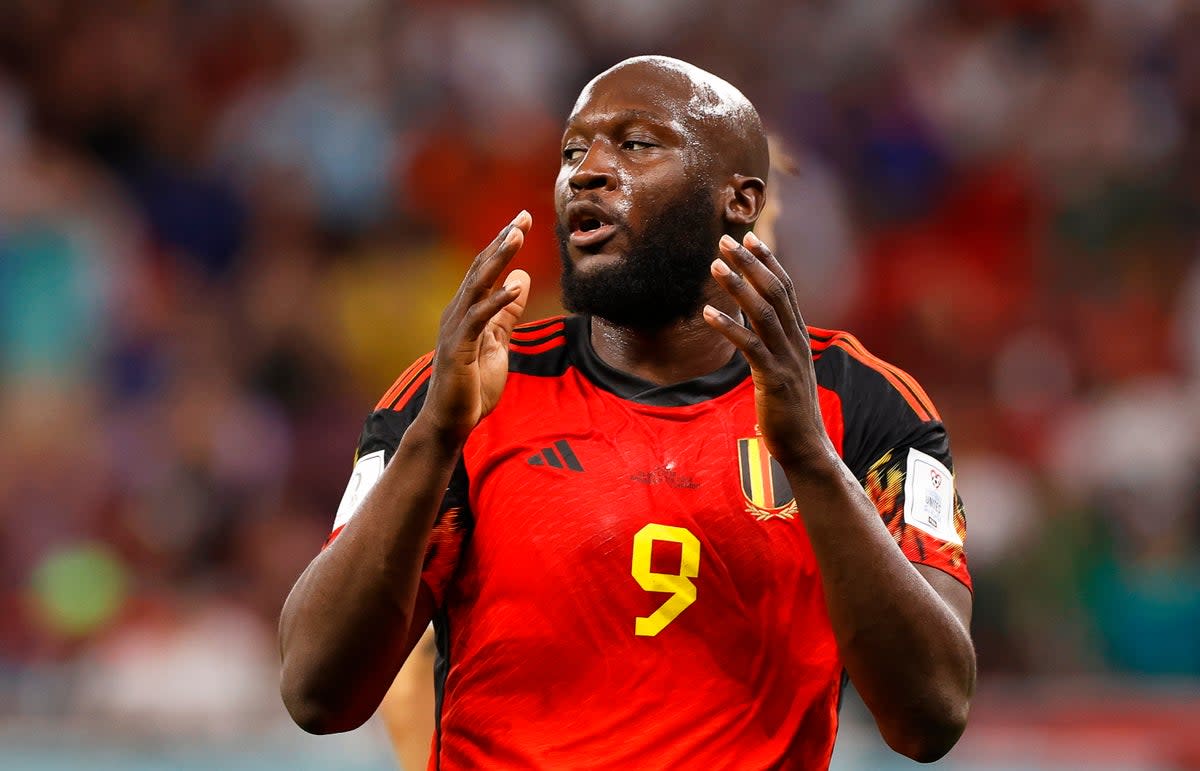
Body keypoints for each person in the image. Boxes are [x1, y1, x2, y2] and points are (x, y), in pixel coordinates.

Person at [279, 56, 975, 769]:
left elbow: (932, 713)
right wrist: (433, 439)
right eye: (574, 151)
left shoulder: (862, 404)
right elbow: (316, 692)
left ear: (740, 199)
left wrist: (811, 460)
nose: (587, 171)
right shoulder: (465, 389)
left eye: (636, 144)